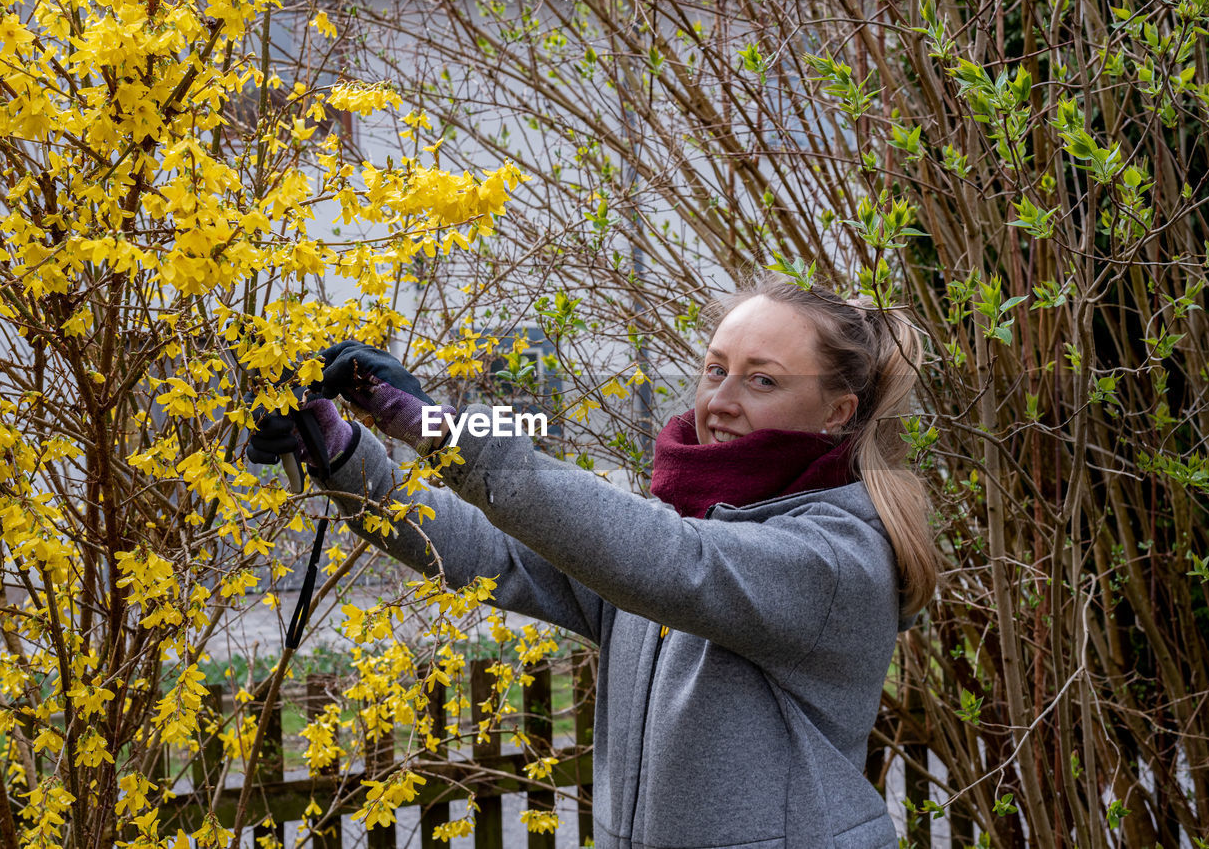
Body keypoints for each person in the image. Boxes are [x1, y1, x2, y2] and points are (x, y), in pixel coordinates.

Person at [246, 277, 940, 848]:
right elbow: (494, 554)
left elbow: (675, 564)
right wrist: (340, 451)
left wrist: (437, 423)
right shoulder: (682, 521)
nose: (720, 402)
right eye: (715, 370)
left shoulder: (835, 560)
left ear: (836, 412)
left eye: (761, 382)